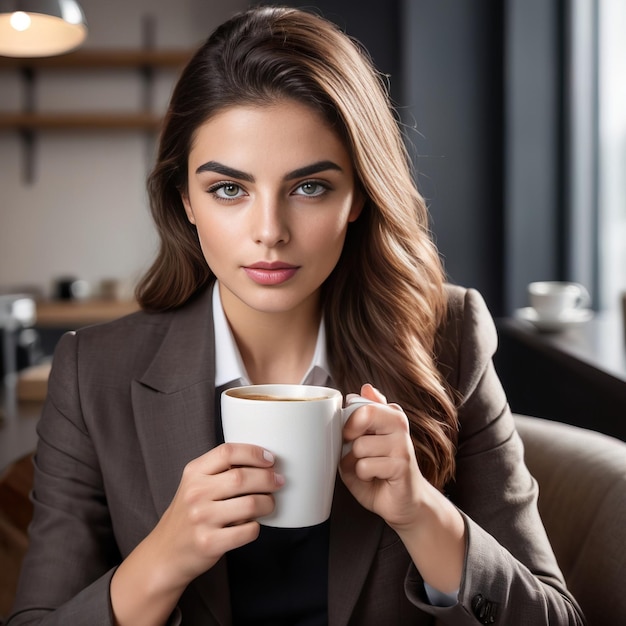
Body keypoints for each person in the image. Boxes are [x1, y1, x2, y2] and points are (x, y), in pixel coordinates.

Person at [8, 6, 585, 626]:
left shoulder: (448, 338)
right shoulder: (94, 373)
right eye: (229, 189)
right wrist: (164, 559)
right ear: (186, 202)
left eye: (309, 187)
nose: (270, 233)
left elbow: (555, 617)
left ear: (360, 195)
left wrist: (421, 513)